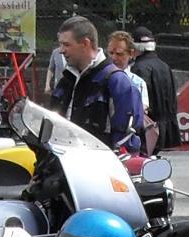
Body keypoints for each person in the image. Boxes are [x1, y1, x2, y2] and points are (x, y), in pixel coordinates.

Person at [55, 16, 144, 152]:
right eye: (60, 44)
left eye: (66, 45)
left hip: (99, 162)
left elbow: (126, 142)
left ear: (85, 43)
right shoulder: (67, 79)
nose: (61, 50)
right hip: (64, 158)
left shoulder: (117, 81)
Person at [130, 30, 179, 150]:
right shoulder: (164, 66)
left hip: (149, 129)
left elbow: (140, 103)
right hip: (165, 129)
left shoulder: (139, 68)